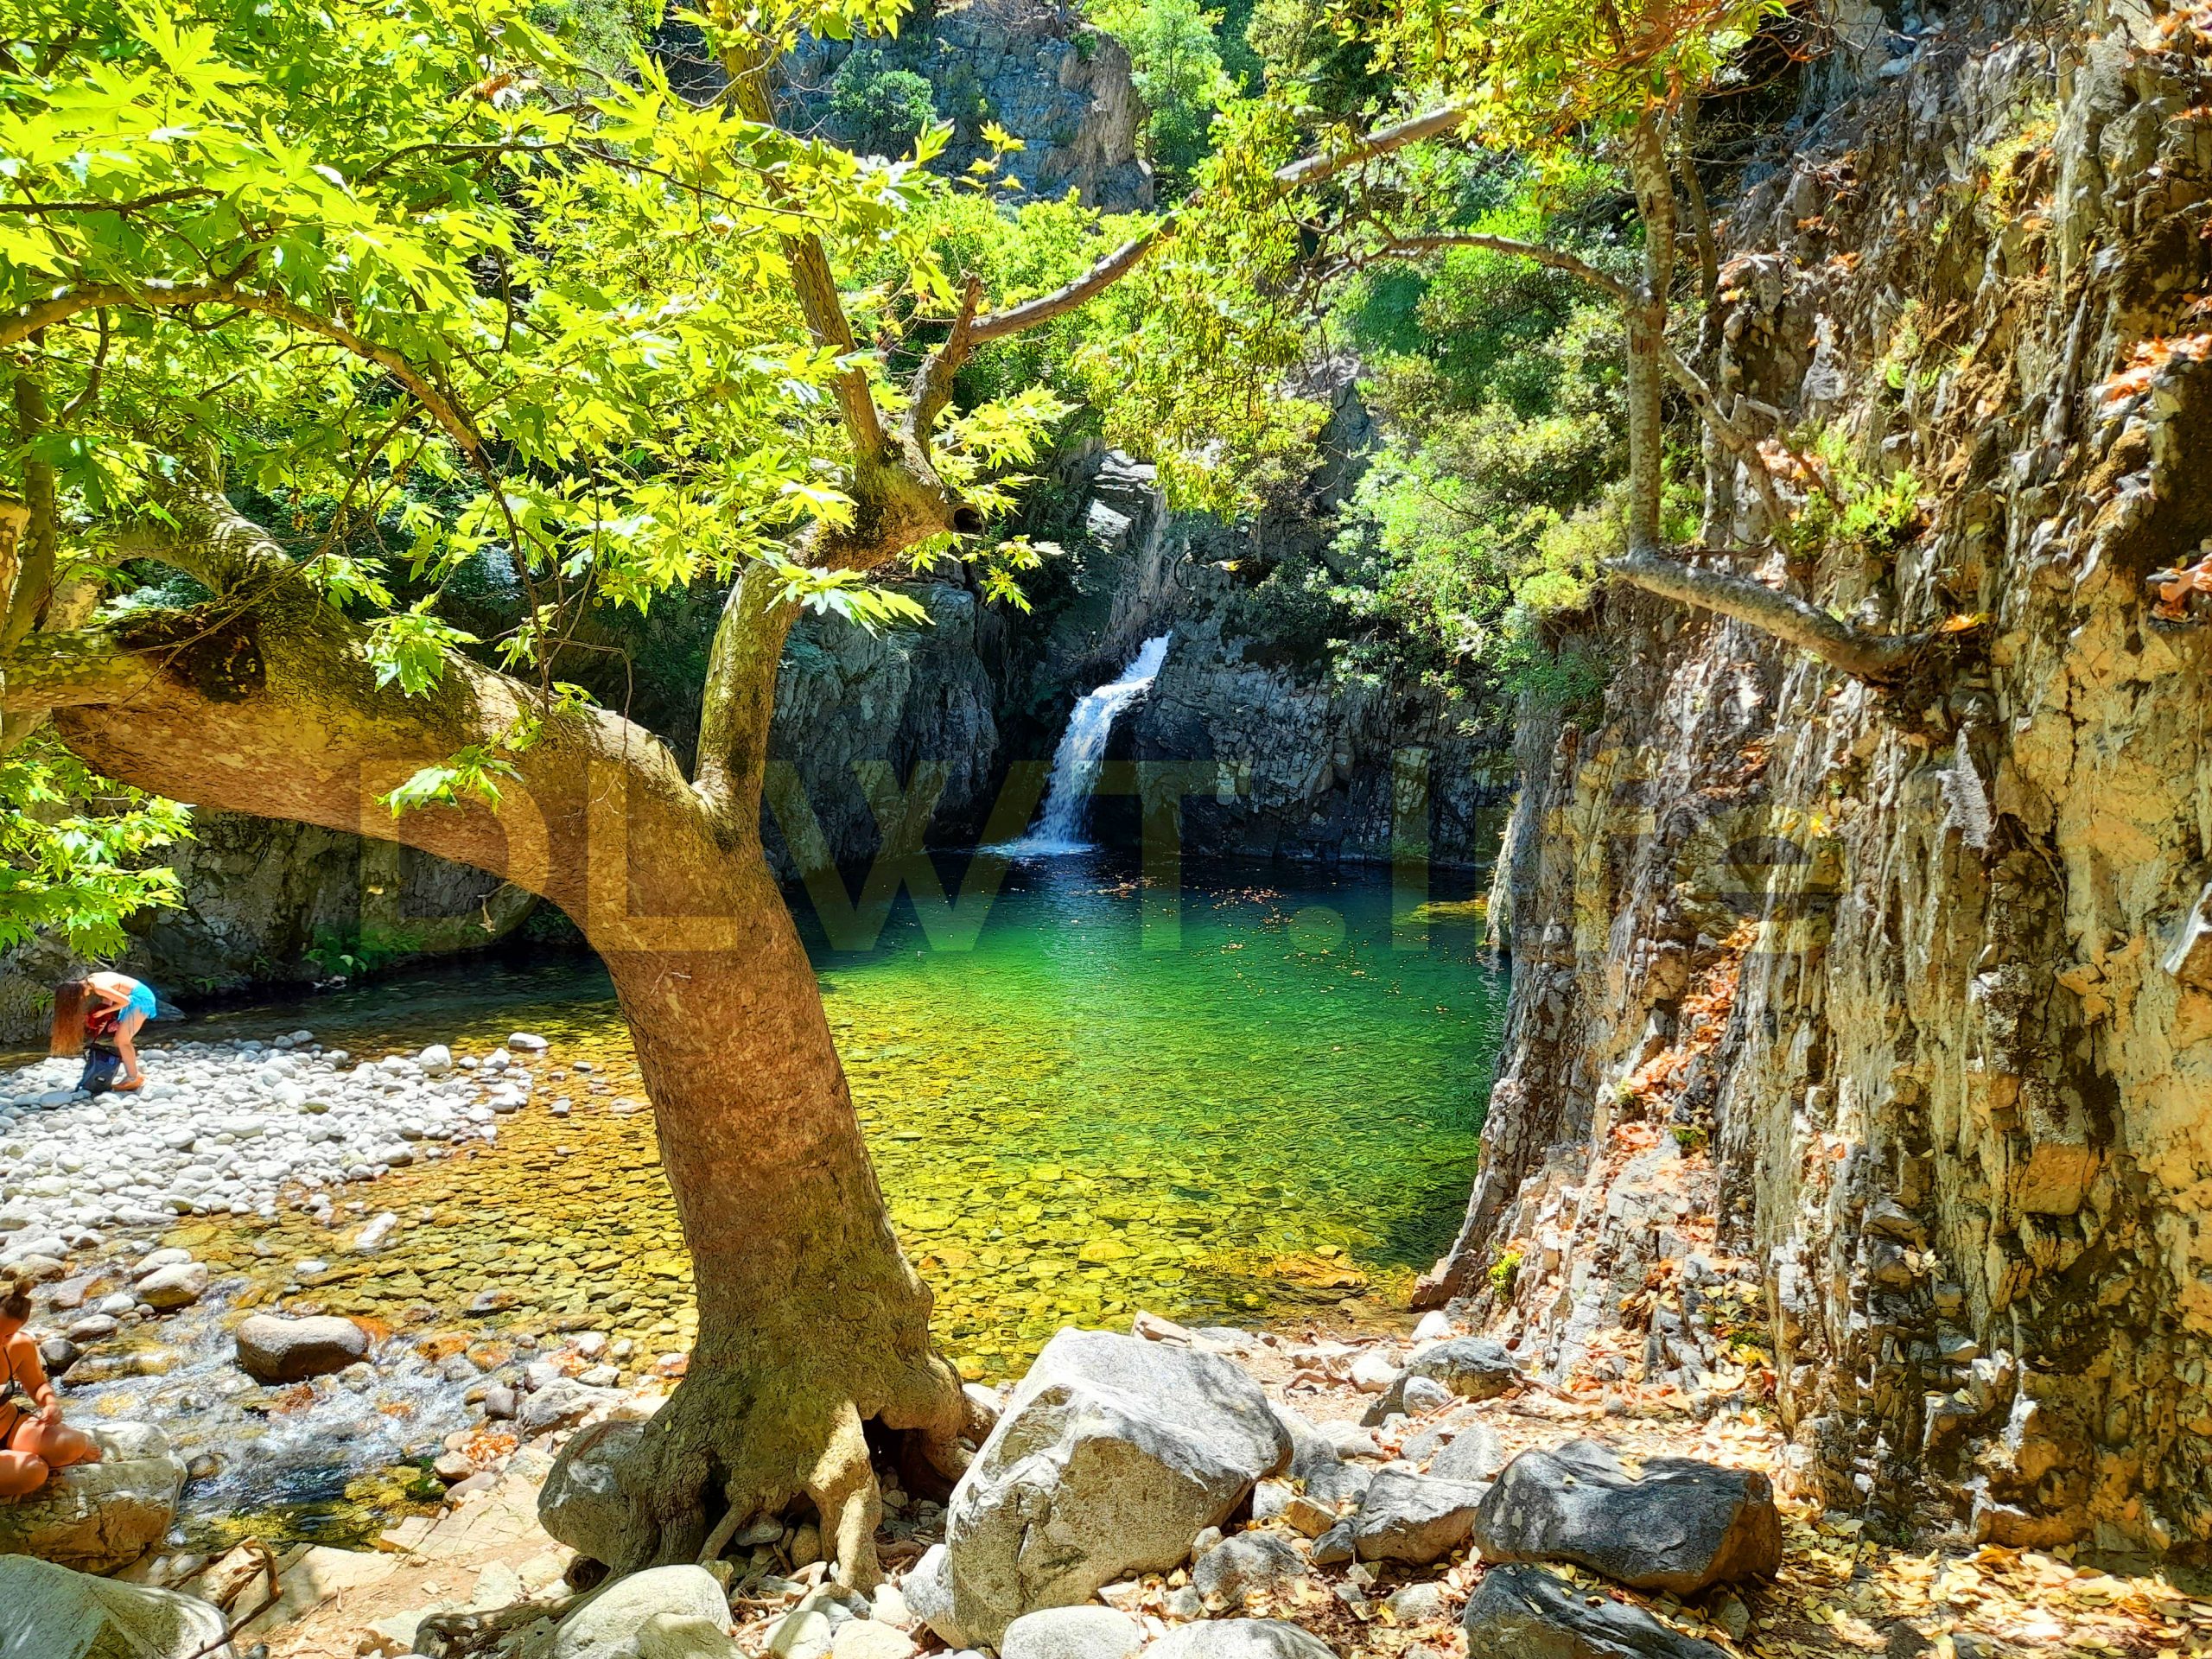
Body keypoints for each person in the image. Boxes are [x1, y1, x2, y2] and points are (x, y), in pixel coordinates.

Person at [0, 1278, 102, 1501]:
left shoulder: (19, 1345)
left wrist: (50, 1404)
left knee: (72, 1443)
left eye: (7, 1335)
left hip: (10, 1426)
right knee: (34, 1472)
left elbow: (37, 1385)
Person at [50, 971, 160, 1091]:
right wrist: (101, 1022)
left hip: (140, 999)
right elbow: (108, 1000)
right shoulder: (92, 979)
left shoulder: (98, 987)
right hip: (136, 995)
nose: (82, 999)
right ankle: (134, 1076)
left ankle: (134, 1078)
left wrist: (103, 1013)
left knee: (122, 1041)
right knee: (121, 1040)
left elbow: (125, 1001)